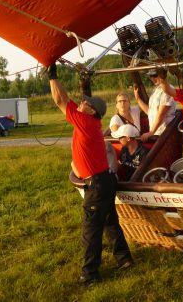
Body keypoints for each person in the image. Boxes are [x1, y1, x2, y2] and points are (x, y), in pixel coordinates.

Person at [47, 64, 133, 284]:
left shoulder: (85, 121)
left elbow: (59, 101)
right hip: (104, 181)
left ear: (92, 110)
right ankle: (124, 259)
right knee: (109, 221)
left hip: (96, 184)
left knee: (91, 230)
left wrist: (52, 75)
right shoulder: (89, 120)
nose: (82, 102)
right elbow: (67, 99)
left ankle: (90, 273)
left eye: (86, 103)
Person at [133, 69, 176, 141]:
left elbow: (161, 114)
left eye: (155, 75)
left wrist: (151, 132)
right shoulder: (156, 90)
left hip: (165, 133)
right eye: (150, 76)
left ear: (162, 75)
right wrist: (138, 99)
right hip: (156, 133)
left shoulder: (168, 90)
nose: (152, 78)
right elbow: (150, 112)